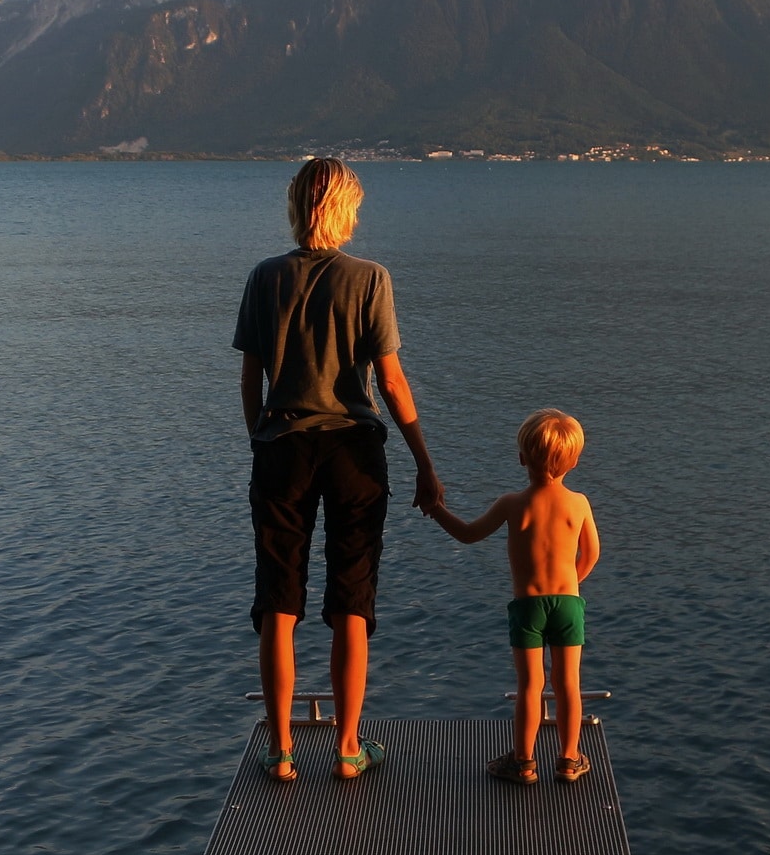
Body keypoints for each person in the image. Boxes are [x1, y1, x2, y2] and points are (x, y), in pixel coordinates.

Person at [234, 159, 443, 782]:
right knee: (352, 597)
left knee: (279, 598)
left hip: (283, 446)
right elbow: (392, 380)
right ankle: (349, 749)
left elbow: (252, 378)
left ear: (297, 206)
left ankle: (280, 749)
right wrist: (424, 461)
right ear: (346, 208)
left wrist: (260, 438)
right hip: (355, 450)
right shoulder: (369, 278)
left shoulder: (264, 277)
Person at [424, 409, 600, 785]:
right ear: (575, 460)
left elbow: (469, 534)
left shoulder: (511, 503)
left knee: (530, 685)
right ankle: (569, 759)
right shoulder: (580, 503)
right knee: (568, 683)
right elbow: (592, 553)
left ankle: (523, 762)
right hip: (568, 603)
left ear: (521, 458)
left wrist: (436, 510)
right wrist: (573, 584)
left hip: (527, 607)